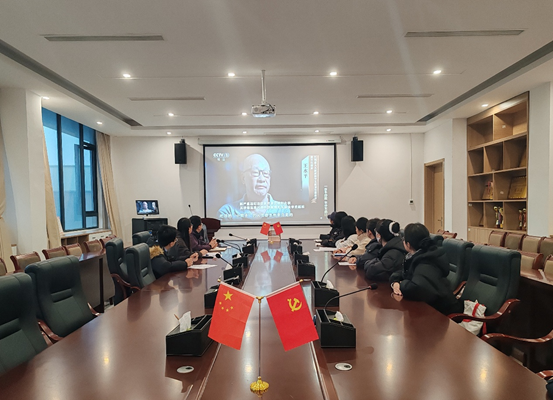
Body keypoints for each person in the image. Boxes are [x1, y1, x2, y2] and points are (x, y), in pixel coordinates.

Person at [390, 223, 462, 315]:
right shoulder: (418, 255)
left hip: (442, 313)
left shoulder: (426, 261)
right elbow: (405, 273)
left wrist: (401, 284)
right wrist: (395, 281)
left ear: (408, 244)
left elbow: (417, 288)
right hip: (430, 306)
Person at [218, 154, 291, 221]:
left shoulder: (282, 210)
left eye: (266, 173)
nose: (262, 179)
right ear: (243, 178)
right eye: (255, 172)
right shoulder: (227, 212)